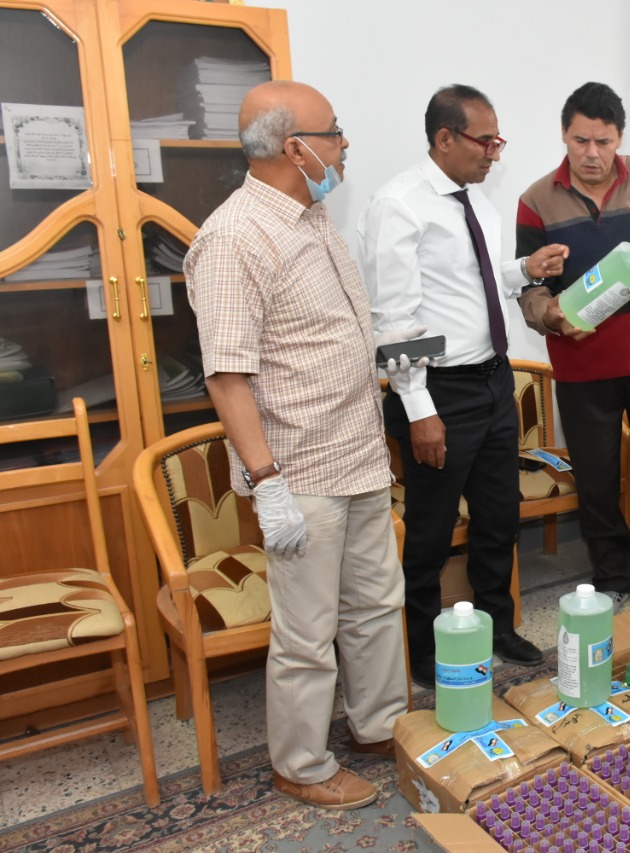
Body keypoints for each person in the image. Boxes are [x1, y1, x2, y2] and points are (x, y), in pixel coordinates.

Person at [185, 80, 408, 811]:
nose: (344, 145)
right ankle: (302, 765)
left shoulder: (313, 217)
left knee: (375, 605)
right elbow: (227, 375)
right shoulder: (234, 237)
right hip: (300, 471)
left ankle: (379, 726)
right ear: (295, 148)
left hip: (358, 454)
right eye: (334, 132)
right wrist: (267, 481)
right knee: (308, 632)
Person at [358, 84, 566, 685]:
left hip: (493, 381)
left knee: (499, 517)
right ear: (445, 138)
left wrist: (523, 270)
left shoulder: (477, 201)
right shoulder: (399, 205)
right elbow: (395, 322)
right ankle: (422, 646)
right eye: (486, 141)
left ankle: (497, 625)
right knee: (431, 528)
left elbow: (471, 282)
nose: (495, 153)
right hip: (439, 392)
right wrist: (418, 408)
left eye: (499, 141)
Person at [515, 82, 630, 603]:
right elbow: (531, 286)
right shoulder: (535, 200)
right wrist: (550, 316)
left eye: (604, 141)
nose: (591, 153)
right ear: (564, 135)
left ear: (619, 139)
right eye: (581, 141)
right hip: (581, 362)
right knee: (595, 480)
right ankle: (614, 578)